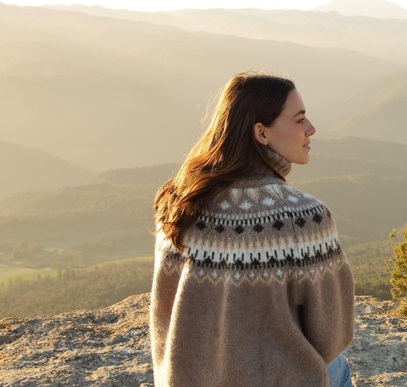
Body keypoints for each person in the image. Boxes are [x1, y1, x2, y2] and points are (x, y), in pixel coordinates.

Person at [150, 72, 355, 386]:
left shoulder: (179, 202)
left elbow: (165, 320)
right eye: (299, 119)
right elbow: (332, 336)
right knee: (337, 366)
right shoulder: (303, 217)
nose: (311, 129)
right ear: (261, 133)